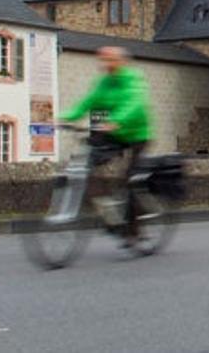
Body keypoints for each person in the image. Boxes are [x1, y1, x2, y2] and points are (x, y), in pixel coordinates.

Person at [61, 46, 154, 245]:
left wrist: (117, 120)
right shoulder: (103, 81)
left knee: (130, 180)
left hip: (136, 134)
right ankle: (110, 215)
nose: (106, 65)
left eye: (110, 60)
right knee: (85, 169)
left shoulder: (133, 78)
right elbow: (88, 102)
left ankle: (134, 231)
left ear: (122, 61)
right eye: (103, 61)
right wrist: (66, 117)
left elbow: (135, 103)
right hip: (110, 133)